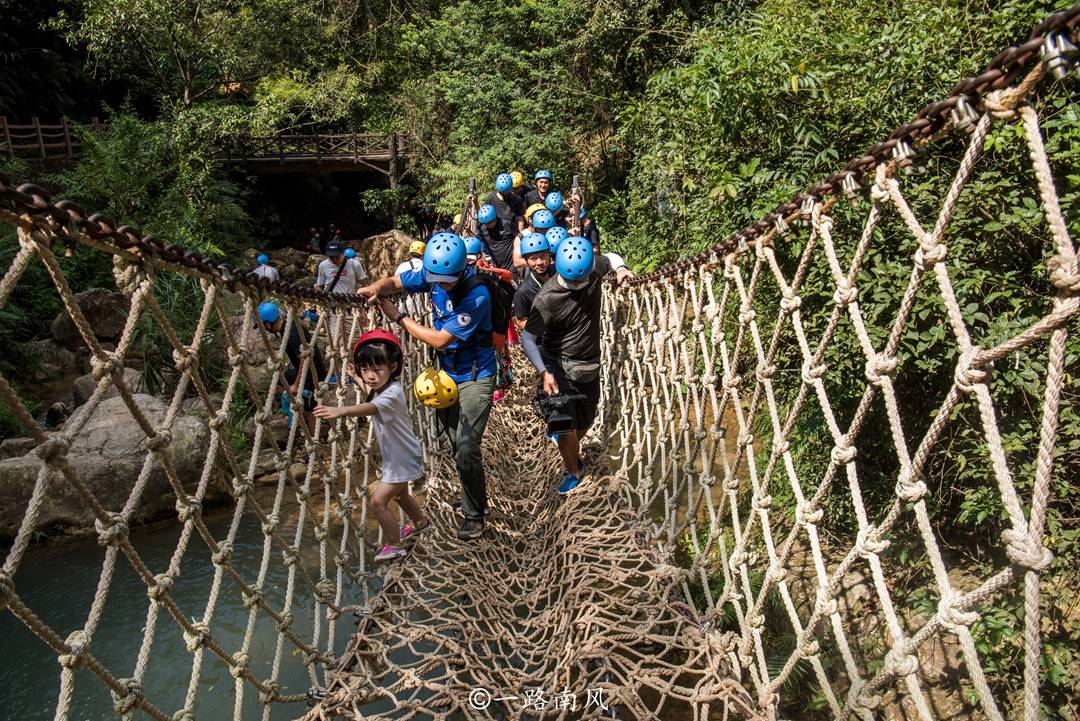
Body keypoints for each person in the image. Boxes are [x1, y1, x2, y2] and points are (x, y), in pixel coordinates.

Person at [356, 233, 495, 541]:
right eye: (436, 279)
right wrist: (376, 288)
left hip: (476, 375)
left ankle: (475, 516)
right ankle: (470, 495)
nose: (440, 284)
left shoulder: (477, 295)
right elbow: (395, 281)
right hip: (445, 376)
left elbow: (440, 339)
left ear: (460, 270)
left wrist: (400, 317)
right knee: (451, 441)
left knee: (467, 447)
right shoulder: (433, 275)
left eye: (446, 280)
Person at [520, 238, 634, 495]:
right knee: (565, 425)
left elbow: (611, 257)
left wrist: (621, 269)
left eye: (580, 281)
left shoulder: (591, 269)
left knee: (586, 421)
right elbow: (528, 338)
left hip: (589, 363)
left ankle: (567, 441)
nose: (576, 286)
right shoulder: (547, 298)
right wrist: (544, 372)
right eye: (571, 282)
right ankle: (574, 469)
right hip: (557, 365)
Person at [314, 330, 428, 562]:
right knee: (401, 496)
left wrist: (340, 410)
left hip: (401, 459)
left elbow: (371, 408)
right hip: (399, 456)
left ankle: (395, 545)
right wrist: (357, 379)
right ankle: (421, 523)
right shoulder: (384, 389)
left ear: (393, 367)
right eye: (365, 369)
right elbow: (373, 396)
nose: (370, 376)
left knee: (378, 502)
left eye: (377, 370)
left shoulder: (393, 394)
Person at [258, 301, 328, 437]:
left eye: (263, 325)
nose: (264, 329)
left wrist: (296, 385)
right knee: (279, 382)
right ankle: (293, 412)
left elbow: (304, 359)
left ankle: (312, 438)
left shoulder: (291, 334)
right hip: (305, 370)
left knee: (310, 410)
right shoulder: (287, 328)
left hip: (313, 374)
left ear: (268, 323)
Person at [512, 233, 553, 334]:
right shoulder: (523, 291)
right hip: (544, 343)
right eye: (533, 259)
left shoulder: (560, 274)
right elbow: (521, 320)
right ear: (526, 260)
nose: (539, 262)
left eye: (543, 256)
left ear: (549, 255)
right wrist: (546, 332)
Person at [484, 173, 526, 238]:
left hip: (511, 233)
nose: (504, 194)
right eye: (501, 192)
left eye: (506, 192)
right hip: (494, 231)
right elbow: (484, 214)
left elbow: (520, 219)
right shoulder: (491, 198)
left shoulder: (517, 199)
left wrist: (520, 236)